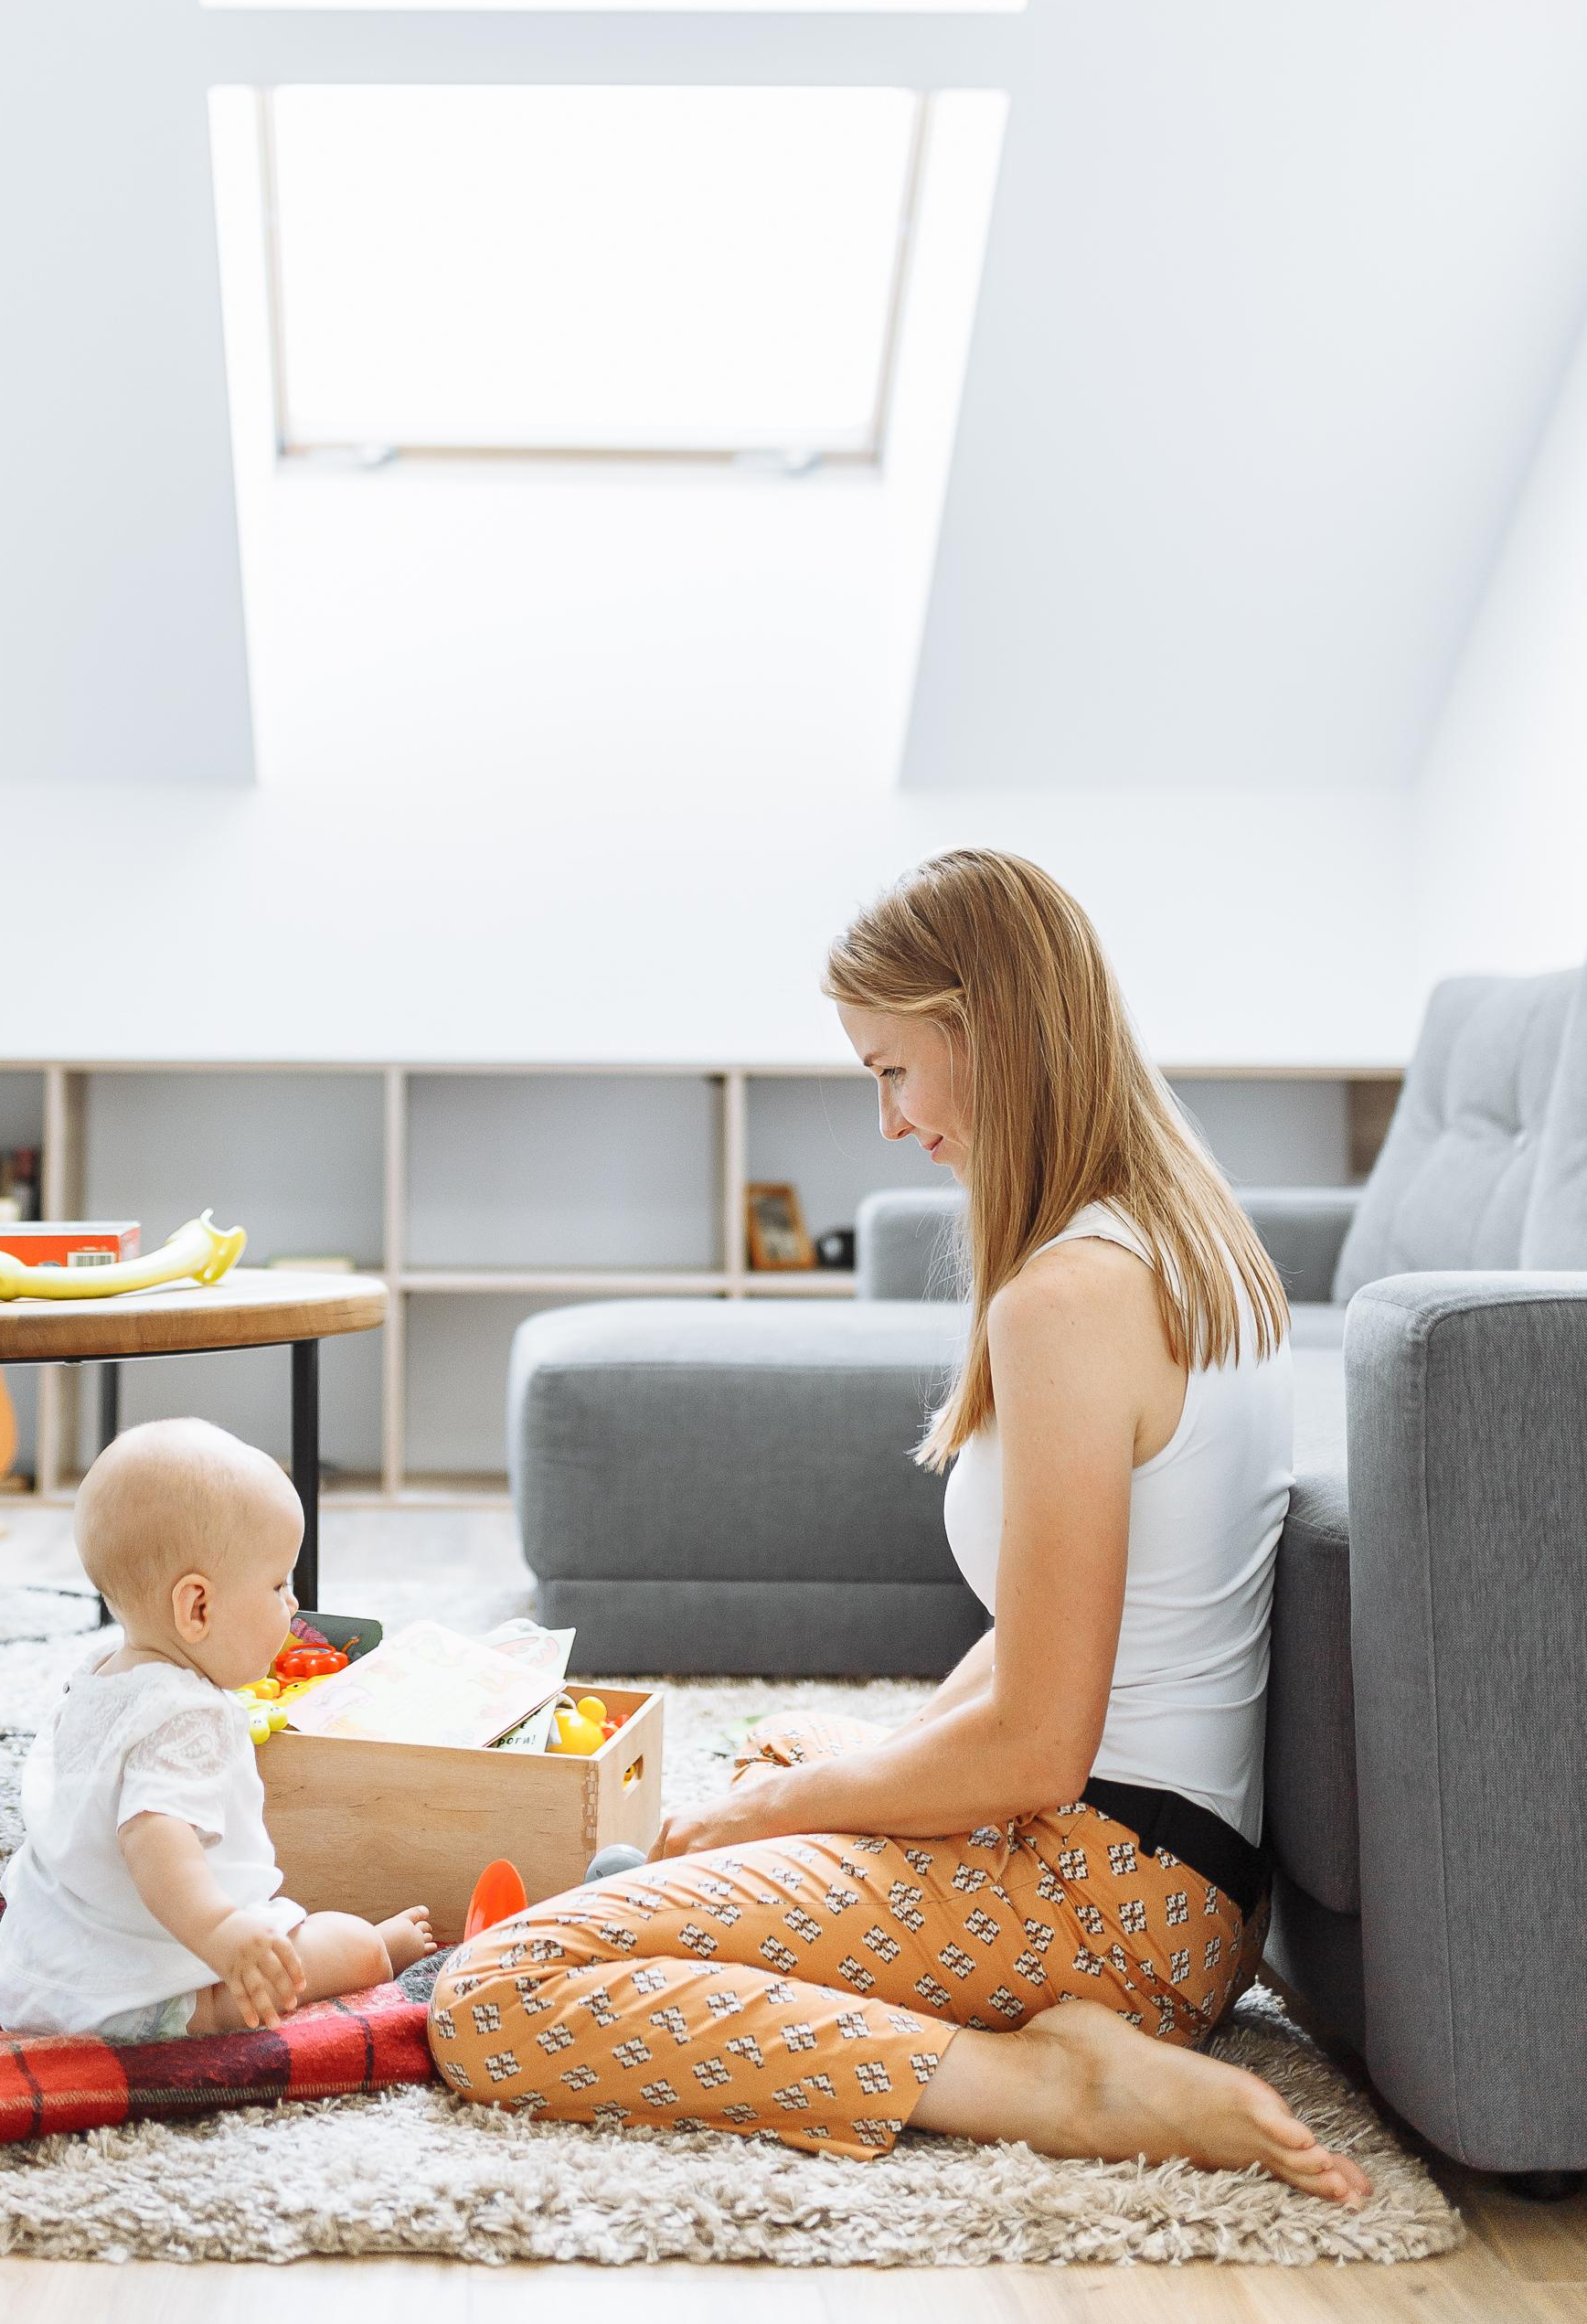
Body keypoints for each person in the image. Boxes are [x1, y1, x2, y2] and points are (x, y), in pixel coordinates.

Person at [431, 848, 1369, 2205]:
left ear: (983, 1031)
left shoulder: (1068, 1304)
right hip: (1185, 1886)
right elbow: (1055, 1634)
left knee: (502, 1991)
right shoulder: (1188, 1240)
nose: (885, 1122)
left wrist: (776, 1815)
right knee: (795, 1748)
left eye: (889, 1070)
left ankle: (1049, 2083)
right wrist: (807, 1791)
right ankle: (1032, 2013)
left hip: (1104, 1899)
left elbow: (1038, 1746)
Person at [0, 1417, 433, 2039]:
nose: (291, 1604)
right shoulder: (186, 1715)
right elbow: (153, 1837)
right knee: (351, 1945)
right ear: (197, 1607)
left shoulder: (95, 1678)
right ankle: (363, 1956)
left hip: (37, 1975)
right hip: (133, 1996)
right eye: (278, 1583)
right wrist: (224, 1934)